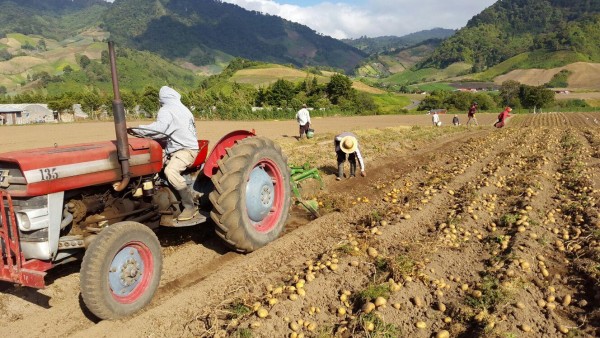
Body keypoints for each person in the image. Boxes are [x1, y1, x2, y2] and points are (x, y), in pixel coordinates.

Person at [136, 86, 200, 221]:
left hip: (185, 150)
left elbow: (159, 130)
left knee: (170, 171)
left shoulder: (166, 110)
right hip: (179, 148)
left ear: (161, 99)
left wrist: (138, 129)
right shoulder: (183, 108)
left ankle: (190, 206)